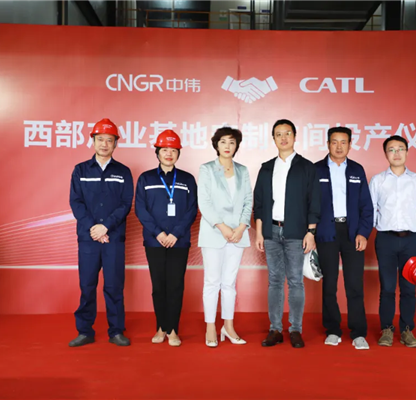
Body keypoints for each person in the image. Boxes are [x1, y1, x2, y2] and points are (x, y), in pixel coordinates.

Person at [253, 119, 321, 349]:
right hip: (271, 231)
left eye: (287, 133)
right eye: (279, 134)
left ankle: (295, 329)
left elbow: (314, 202)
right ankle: (275, 329)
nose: (283, 138)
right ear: (273, 138)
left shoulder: (306, 167)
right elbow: (259, 203)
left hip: (296, 232)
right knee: (274, 281)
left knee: (295, 281)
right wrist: (260, 233)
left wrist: (311, 232)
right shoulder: (266, 168)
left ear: (295, 136)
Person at [68, 118, 134, 347]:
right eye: (100, 139)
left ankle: (116, 331)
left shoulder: (123, 172)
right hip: (89, 239)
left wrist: (106, 226)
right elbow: (76, 202)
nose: (104, 144)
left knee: (114, 286)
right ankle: (85, 331)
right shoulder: (80, 170)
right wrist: (94, 228)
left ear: (116, 143)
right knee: (87, 286)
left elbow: (125, 203)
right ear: (93, 141)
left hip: (113, 238)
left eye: (109, 140)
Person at [135, 130, 197, 347]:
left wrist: (175, 234)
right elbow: (141, 209)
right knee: (159, 286)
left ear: (178, 153)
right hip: (155, 241)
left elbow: (192, 209)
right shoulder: (146, 178)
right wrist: (159, 233)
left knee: (176, 286)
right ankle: (161, 327)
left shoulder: (187, 179)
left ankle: (173, 329)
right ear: (157, 152)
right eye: (164, 150)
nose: (169, 154)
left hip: (179, 241)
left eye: (173, 150)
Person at [314, 127, 374, 349]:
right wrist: (311, 232)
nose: (339, 146)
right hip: (326, 232)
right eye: (334, 142)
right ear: (327, 144)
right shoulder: (316, 169)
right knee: (329, 284)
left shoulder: (357, 169)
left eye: (343, 142)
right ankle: (332, 330)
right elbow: (309, 204)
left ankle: (358, 332)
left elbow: (367, 207)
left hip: (352, 233)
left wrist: (363, 233)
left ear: (350, 144)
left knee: (354, 284)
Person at [369, 135, 416, 348]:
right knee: (387, 287)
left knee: (408, 288)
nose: (396, 153)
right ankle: (386, 329)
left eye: (400, 149)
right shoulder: (378, 180)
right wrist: (376, 228)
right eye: (391, 149)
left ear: (407, 152)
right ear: (385, 154)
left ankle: (407, 330)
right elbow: (370, 209)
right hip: (385, 239)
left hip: (410, 240)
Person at [198, 127, 252, 347]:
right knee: (212, 282)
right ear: (216, 145)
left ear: (237, 145)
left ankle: (228, 327)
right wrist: (222, 227)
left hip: (238, 234)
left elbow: (248, 200)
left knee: (229, 283)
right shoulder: (207, 169)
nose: (227, 146)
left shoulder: (242, 170)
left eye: (231, 142)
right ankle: (210, 327)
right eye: (223, 142)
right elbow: (204, 202)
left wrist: (241, 227)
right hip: (214, 232)